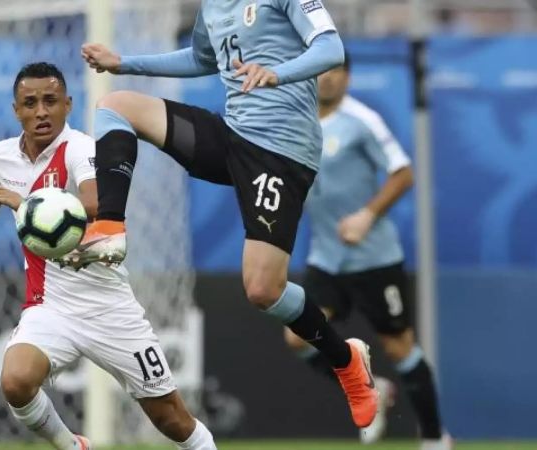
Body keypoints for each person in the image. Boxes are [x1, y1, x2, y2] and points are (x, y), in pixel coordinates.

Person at [71, 0, 377, 428]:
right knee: (115, 105)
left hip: (281, 152)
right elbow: (201, 58)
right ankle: (109, 224)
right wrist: (124, 63)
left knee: (262, 289)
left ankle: (346, 361)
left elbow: (330, 49)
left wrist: (279, 72)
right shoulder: (213, 5)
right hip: (233, 136)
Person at [0, 62, 217, 450]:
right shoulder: (2, 157)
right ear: (15, 110)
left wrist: (25, 205)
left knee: (169, 417)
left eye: (51, 101)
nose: (41, 111)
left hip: (107, 305)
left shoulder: (81, 148)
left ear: (68, 104)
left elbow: (94, 205)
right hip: (50, 305)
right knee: (16, 381)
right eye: (30, 103)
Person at [284, 54, 452, 450]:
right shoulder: (298, 123)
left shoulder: (363, 120)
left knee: (400, 346)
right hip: (327, 258)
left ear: (348, 77)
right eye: (321, 71)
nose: (327, 79)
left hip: (373, 258)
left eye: (336, 71)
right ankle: (373, 387)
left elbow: (403, 173)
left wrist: (366, 215)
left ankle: (434, 437)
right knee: (298, 337)